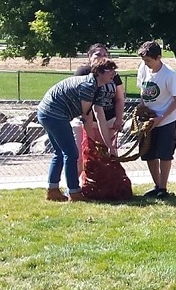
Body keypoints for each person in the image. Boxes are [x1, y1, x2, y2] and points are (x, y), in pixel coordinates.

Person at [37, 60, 120, 202]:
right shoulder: (88, 86)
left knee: (59, 153)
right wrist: (93, 143)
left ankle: (53, 190)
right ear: (99, 72)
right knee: (71, 153)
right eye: (109, 70)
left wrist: (108, 145)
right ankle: (74, 193)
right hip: (53, 114)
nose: (113, 73)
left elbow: (100, 117)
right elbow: (87, 117)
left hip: (48, 113)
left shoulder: (99, 88)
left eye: (114, 70)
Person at [71, 43, 129, 200]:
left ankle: (108, 189)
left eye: (104, 54)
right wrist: (89, 132)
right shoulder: (83, 73)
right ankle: (73, 189)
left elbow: (119, 98)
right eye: (97, 54)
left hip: (107, 120)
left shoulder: (113, 74)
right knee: (80, 158)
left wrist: (118, 118)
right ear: (89, 57)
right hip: (84, 121)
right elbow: (88, 109)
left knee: (109, 155)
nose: (101, 57)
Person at [135, 40, 176, 199]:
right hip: (148, 120)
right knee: (148, 153)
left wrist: (161, 117)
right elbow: (143, 94)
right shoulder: (143, 68)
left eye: (149, 60)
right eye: (144, 61)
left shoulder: (169, 74)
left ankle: (163, 187)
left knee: (165, 154)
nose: (146, 64)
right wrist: (141, 111)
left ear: (158, 57)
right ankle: (156, 186)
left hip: (166, 120)